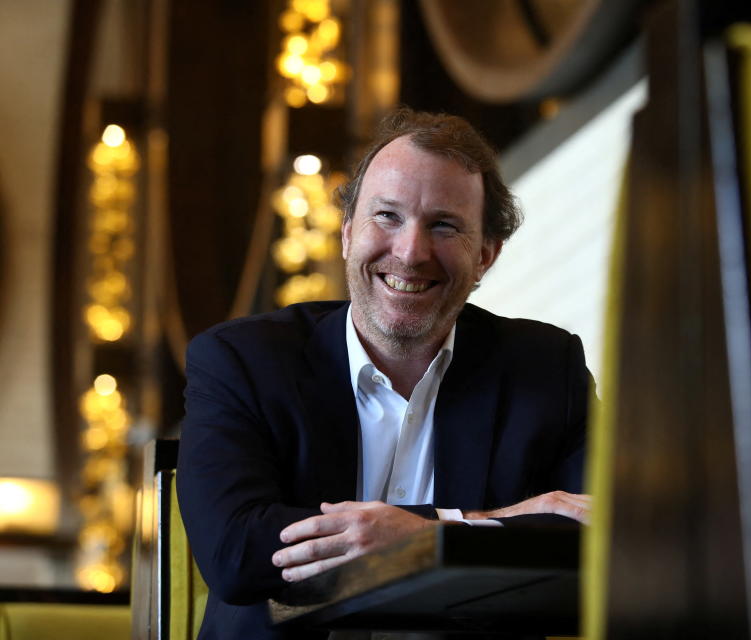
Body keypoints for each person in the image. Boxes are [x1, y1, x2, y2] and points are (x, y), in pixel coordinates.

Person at [177, 107, 593, 640]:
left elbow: (602, 536)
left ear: (486, 255)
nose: (410, 251)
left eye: (444, 225)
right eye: (387, 216)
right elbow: (237, 554)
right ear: (348, 233)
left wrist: (423, 531)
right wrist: (455, 528)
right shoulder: (242, 360)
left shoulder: (546, 367)